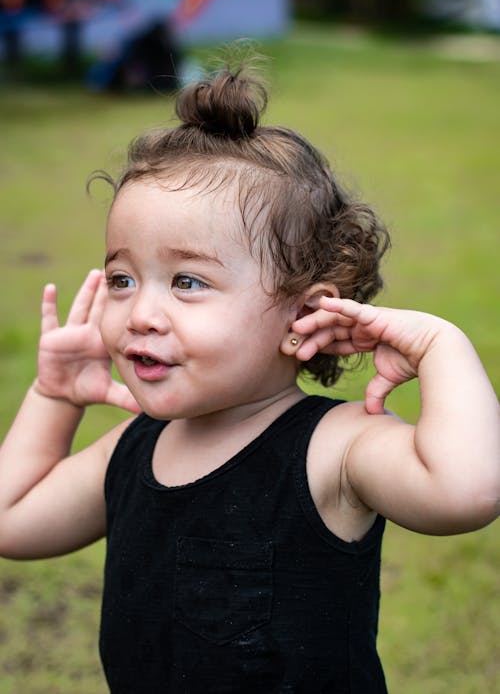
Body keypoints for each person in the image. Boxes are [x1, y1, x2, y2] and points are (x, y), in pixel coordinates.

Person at [0, 64, 498, 694]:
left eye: (188, 282)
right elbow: (11, 521)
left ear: (304, 313)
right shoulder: (133, 449)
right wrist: (54, 395)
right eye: (123, 279)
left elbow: (467, 493)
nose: (141, 314)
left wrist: (439, 345)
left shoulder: (335, 449)